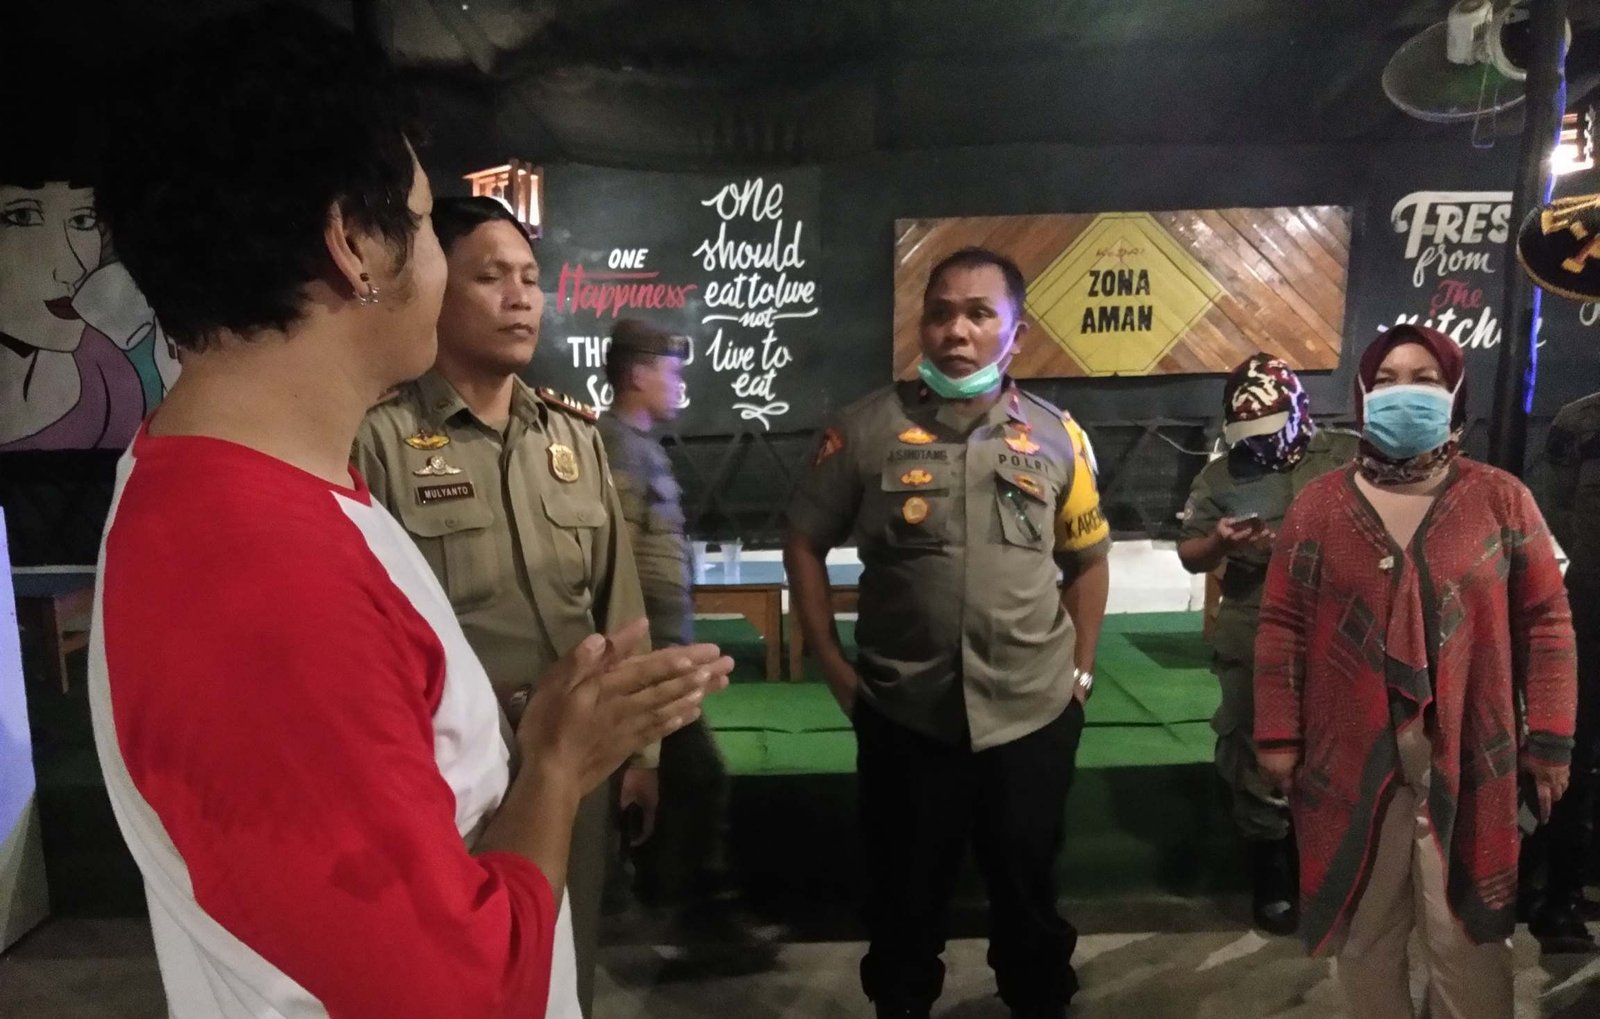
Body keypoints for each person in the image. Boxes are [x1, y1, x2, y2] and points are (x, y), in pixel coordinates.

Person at [88, 10, 729, 1018]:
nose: (447, 265)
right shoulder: (266, 578)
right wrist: (556, 765)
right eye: (429, 225)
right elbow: (460, 996)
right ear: (354, 243)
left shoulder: (243, 490)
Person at [784, 246, 1111, 1019]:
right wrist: (831, 661)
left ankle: (1038, 1000)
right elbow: (803, 539)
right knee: (902, 902)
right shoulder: (863, 429)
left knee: (1029, 896)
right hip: (905, 714)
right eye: (939, 313)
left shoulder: (1058, 436)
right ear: (921, 325)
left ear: (1016, 334)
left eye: (978, 313)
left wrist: (1080, 676)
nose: (955, 330)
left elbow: (1088, 561)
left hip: (1030, 713)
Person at [353, 195, 658, 1016]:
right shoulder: (377, 441)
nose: (521, 296)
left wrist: (641, 751)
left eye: (529, 276)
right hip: (448, 775)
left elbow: (618, 605)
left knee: (565, 960)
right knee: (461, 976)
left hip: (575, 762)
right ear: (435, 289)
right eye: (491, 277)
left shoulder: (573, 439)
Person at [1254, 323, 1577, 1019]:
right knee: (1366, 936)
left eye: (1426, 379)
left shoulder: (1501, 499)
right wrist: (1278, 734)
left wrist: (1551, 739)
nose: (1405, 391)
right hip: (1347, 758)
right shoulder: (1318, 506)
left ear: (1454, 393)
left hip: (1471, 754)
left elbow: (1547, 621)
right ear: (1362, 395)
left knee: (1467, 939)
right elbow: (1282, 626)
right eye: (1388, 379)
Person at [597, 318, 776, 961]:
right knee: (695, 778)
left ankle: (666, 913)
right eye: (671, 371)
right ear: (637, 374)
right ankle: (691, 919)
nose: (679, 384)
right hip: (647, 658)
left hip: (664, 655)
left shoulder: (638, 446)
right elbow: (616, 561)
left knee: (686, 781)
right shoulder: (616, 449)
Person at [1176, 354, 1358, 935]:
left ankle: (1327, 863)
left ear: (1297, 410)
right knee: (1251, 744)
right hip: (1254, 619)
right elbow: (1189, 554)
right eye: (1246, 431)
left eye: (1267, 427)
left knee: (1340, 742)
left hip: (1338, 620)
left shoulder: (1347, 455)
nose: (1256, 442)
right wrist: (1221, 542)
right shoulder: (1220, 477)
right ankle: (1271, 870)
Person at [1529, 390, 1600, 950]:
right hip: (1590, 607)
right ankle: (1559, 899)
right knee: (1574, 756)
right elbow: (1551, 508)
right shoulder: (1581, 420)